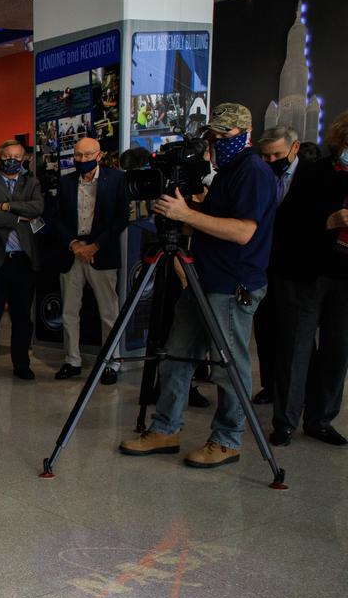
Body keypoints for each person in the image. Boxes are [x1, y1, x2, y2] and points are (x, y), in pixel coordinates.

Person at [120, 103, 278, 468]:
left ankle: (227, 440)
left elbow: (242, 232)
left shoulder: (252, 172)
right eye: (214, 135)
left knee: (227, 366)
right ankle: (165, 429)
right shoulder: (225, 172)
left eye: (225, 136)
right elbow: (212, 223)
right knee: (176, 355)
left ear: (245, 135)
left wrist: (187, 215)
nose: (217, 142)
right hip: (202, 278)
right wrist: (179, 217)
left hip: (232, 284)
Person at [266, 111, 348, 447]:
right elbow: (287, 225)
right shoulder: (314, 173)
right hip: (307, 274)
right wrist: (329, 220)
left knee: (337, 352)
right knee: (295, 349)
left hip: (346, 280)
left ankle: (321, 419)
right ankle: (285, 421)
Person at [55, 137, 130, 384]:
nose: (83, 160)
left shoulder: (117, 179)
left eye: (88, 155)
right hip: (72, 252)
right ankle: (72, 360)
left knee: (109, 312)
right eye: (78, 156)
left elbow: (120, 218)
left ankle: (111, 362)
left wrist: (96, 245)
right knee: (69, 311)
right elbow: (57, 218)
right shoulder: (65, 182)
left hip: (102, 252)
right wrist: (74, 245)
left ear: (99, 155)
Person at [0, 139, 45, 380]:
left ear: (23, 159)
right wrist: (17, 218)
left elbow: (37, 208)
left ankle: (22, 365)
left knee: (22, 318)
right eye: (8, 156)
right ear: (0, 158)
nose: (13, 160)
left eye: (17, 157)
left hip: (23, 261)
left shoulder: (31, 182)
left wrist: (6, 206)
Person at [250, 126, 301, 405]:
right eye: (265, 156)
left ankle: (293, 392)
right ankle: (269, 386)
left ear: (294, 149)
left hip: (294, 271)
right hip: (263, 266)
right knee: (266, 331)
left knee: (292, 336)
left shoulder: (308, 178)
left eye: (276, 155)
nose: (270, 161)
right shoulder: (260, 176)